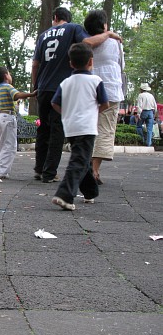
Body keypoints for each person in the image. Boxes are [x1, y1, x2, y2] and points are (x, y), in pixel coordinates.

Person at [31, 7, 120, 183]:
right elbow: (88, 42)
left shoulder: (43, 35)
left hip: (44, 87)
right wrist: (108, 34)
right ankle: (50, 173)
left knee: (43, 129)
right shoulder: (73, 28)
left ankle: (39, 169)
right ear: (67, 18)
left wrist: (36, 85)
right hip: (59, 85)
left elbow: (35, 64)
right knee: (57, 131)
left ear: (54, 17)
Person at [51, 43, 109, 211]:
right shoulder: (96, 81)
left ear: (70, 63)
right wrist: (94, 112)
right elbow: (104, 103)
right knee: (79, 160)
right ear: (91, 61)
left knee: (83, 159)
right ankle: (65, 195)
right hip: (87, 127)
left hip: (70, 126)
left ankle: (90, 192)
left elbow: (54, 103)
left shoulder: (65, 82)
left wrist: (66, 113)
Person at [84, 9, 125, 185]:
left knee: (90, 129)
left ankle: (89, 167)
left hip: (90, 89)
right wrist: (109, 34)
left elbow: (86, 44)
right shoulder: (115, 42)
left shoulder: (88, 42)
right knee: (105, 130)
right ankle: (94, 170)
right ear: (104, 25)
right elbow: (121, 65)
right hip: (111, 89)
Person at [0, 66, 36, 180]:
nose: (10, 76)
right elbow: (16, 95)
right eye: (9, 74)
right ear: (6, 76)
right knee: (9, 145)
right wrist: (32, 94)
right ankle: (2, 171)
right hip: (7, 117)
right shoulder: (8, 87)